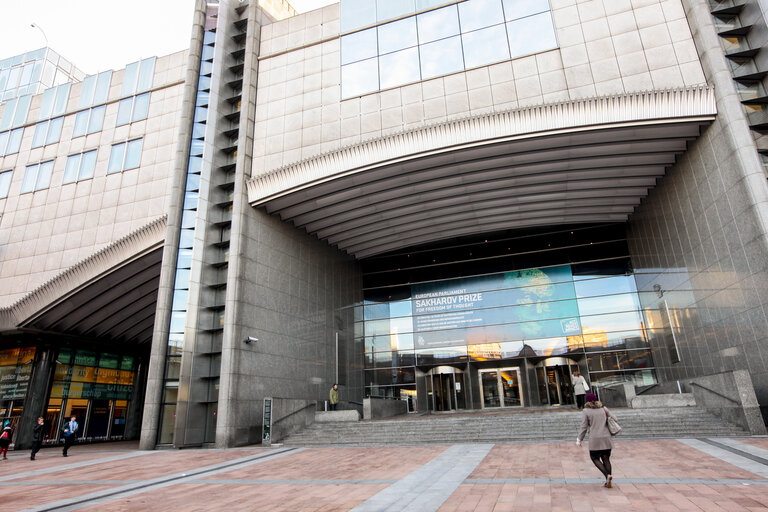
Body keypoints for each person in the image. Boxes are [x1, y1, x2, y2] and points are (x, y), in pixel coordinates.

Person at [576, 393, 617, 488]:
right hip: (606, 438)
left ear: (587, 401)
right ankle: (608, 481)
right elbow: (615, 419)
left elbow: (584, 427)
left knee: (594, 458)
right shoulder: (604, 409)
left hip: (595, 439)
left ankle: (607, 476)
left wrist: (579, 439)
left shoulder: (586, 411)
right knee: (606, 459)